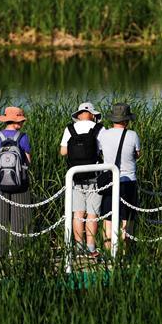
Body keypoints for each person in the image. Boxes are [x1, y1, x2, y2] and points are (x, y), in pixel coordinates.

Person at [59, 102, 104, 259]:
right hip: (95, 176)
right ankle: (91, 248)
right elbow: (103, 149)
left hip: (75, 177)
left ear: (78, 115)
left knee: (78, 213)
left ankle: (78, 248)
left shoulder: (69, 129)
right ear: (92, 114)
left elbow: (63, 151)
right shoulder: (99, 129)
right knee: (92, 214)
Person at [0, 106, 32, 256]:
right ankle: (18, 253)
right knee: (19, 220)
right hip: (20, 184)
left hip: (0, 184)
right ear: (17, 123)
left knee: (1, 220)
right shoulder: (23, 137)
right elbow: (27, 161)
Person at [98, 102, 141, 253]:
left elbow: (101, 152)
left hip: (109, 182)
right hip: (128, 181)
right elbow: (137, 155)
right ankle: (124, 253)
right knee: (126, 220)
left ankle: (108, 253)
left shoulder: (104, 134)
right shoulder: (133, 135)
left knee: (108, 219)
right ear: (126, 120)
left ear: (113, 119)